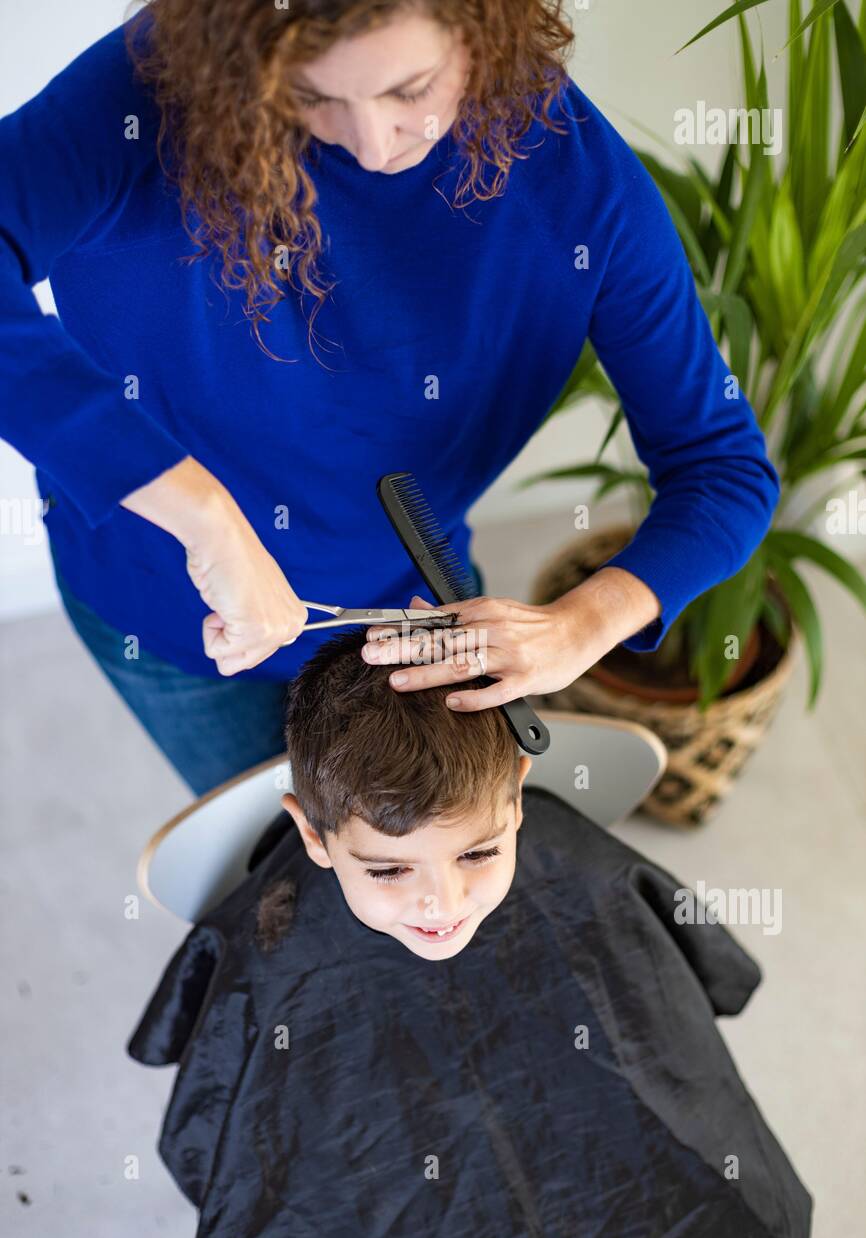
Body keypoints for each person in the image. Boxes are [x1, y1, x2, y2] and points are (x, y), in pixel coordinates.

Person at [0, 0, 780, 795]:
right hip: (168, 602)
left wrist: (581, 626)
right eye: (313, 98)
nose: (371, 144)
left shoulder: (585, 196)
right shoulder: (155, 85)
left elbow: (723, 469)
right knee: (280, 873)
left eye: (411, 90)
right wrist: (203, 516)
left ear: (485, 30)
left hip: (416, 605)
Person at [128, 629, 812, 1238]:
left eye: (477, 854)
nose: (442, 904)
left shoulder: (579, 872)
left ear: (517, 795)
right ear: (311, 833)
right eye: (390, 868)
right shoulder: (274, 937)